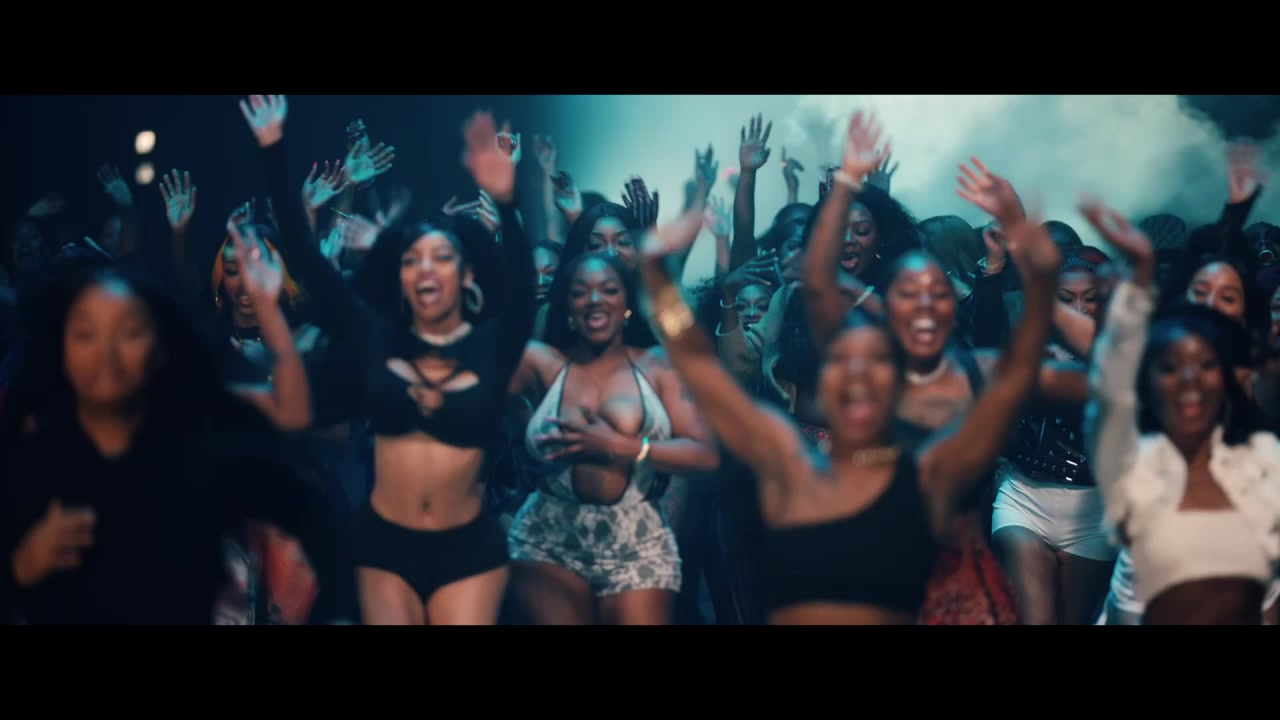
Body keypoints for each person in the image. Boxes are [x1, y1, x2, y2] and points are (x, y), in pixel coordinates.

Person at [639, 112, 1060, 624]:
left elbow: (1014, 377)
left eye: (876, 361)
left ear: (899, 380)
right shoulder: (786, 455)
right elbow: (699, 363)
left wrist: (1032, 258)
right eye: (838, 359)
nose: (856, 375)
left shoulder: (930, 472)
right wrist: (656, 278)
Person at [238, 95, 533, 625]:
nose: (427, 268)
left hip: (468, 548)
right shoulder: (376, 336)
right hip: (385, 547)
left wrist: (508, 202)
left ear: (466, 275)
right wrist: (272, 149)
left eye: (442, 257)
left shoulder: (491, 344)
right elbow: (304, 255)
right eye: (412, 259)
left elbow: (522, 292)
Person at [0, 255, 355, 624]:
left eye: (129, 332)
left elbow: (305, 514)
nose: (107, 354)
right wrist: (25, 566)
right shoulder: (35, 453)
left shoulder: (197, 437)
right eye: (86, 334)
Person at [1083, 197, 1280, 625]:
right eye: (1201, 293)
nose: (1211, 304)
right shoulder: (1157, 355)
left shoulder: (1257, 373)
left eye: (1227, 297)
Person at [507, 252, 718, 624]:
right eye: (580, 292)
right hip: (550, 535)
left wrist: (624, 447)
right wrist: (523, 422)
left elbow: (706, 454)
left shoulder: (658, 365)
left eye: (608, 289)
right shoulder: (539, 361)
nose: (594, 300)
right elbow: (473, 397)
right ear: (567, 309)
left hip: (636, 539)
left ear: (627, 305)